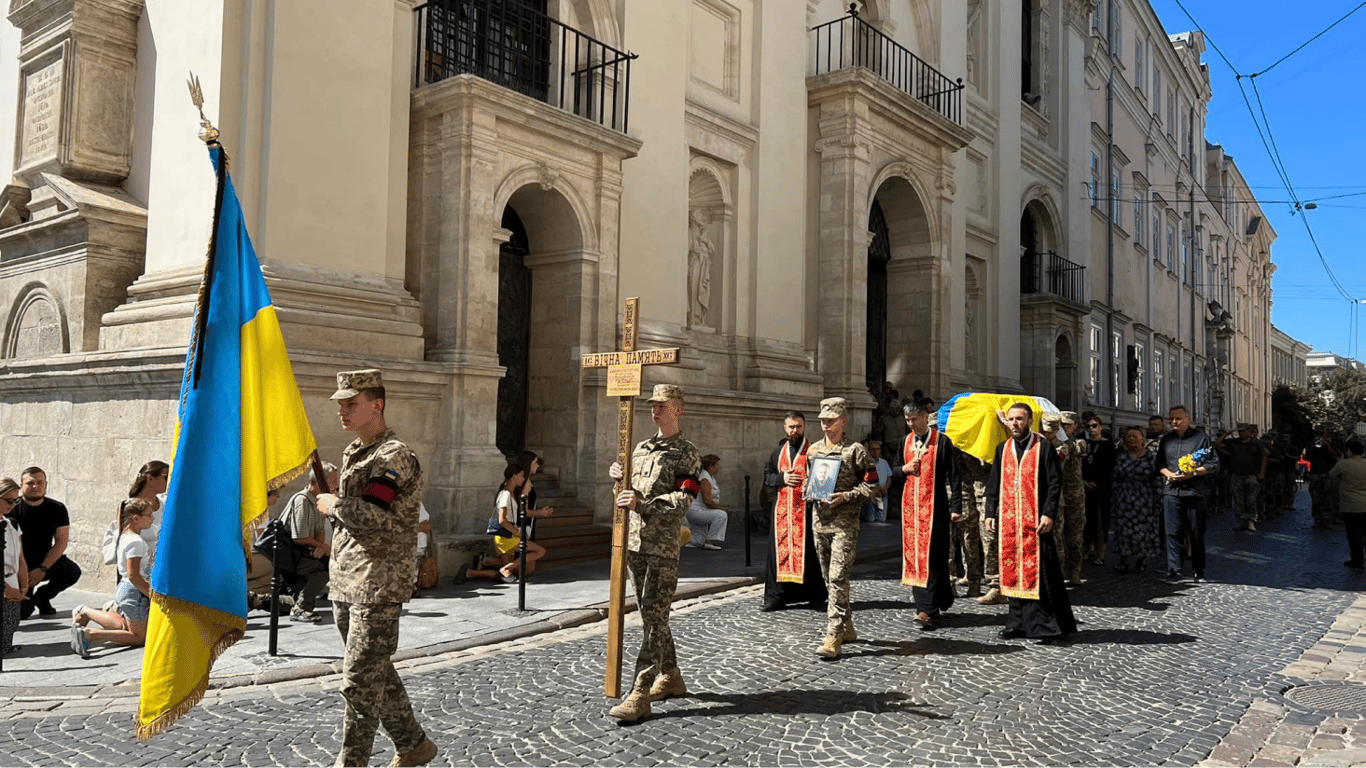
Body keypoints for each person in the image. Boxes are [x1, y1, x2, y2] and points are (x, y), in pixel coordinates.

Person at [313, 369, 437, 768]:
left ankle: (351, 763)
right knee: (375, 671)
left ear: (377, 405)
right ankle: (414, 744)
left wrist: (333, 504)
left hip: (378, 582)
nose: (341, 411)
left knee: (359, 683)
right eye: (340, 404)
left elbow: (373, 512)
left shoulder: (393, 455)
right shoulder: (356, 452)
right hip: (348, 577)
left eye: (351, 403)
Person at [606, 384, 702, 723]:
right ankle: (671, 675)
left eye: (661, 405)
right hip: (634, 544)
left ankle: (640, 693)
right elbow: (626, 491)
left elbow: (683, 500)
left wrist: (642, 504)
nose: (654, 409)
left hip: (662, 547)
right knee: (651, 616)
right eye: (652, 404)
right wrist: (616, 478)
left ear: (678, 408)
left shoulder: (686, 452)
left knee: (654, 619)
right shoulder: (641, 448)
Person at [984, 403, 1076, 643]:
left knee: (1041, 574)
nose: (1014, 423)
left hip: (1035, 522)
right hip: (1009, 523)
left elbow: (1055, 484)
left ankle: (1045, 626)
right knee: (1011, 572)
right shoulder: (1002, 449)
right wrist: (989, 512)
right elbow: (994, 484)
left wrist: (1049, 513)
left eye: (1019, 419)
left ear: (1029, 420)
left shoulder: (1043, 447)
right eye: (1011, 419)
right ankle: (1017, 623)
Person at [805, 397, 878, 659]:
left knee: (837, 577)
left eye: (831, 421)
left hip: (844, 525)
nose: (826, 426)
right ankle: (846, 625)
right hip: (819, 522)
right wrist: (809, 492)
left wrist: (845, 496)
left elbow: (871, 486)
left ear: (843, 421)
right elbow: (807, 481)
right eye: (823, 421)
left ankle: (833, 633)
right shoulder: (813, 450)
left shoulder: (856, 450)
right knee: (828, 578)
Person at [891, 399, 961, 630]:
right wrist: (903, 469)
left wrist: (956, 507)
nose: (911, 424)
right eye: (907, 420)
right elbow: (886, 470)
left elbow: (955, 477)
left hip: (937, 510)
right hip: (911, 513)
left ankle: (934, 603)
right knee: (916, 560)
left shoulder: (942, 442)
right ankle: (925, 610)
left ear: (925, 417)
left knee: (934, 559)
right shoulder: (904, 441)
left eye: (914, 419)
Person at [70, 498, 156, 657]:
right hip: (133, 592)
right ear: (135, 518)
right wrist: (149, 593)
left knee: (125, 627)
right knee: (138, 637)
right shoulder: (136, 542)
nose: (152, 519)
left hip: (126, 589)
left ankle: (87, 612)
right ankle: (89, 633)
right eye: (149, 515)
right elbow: (133, 574)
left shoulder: (125, 536)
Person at [760, 411, 827, 611]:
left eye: (798, 426)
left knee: (810, 555)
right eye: (791, 426)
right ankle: (776, 597)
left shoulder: (814, 450)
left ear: (804, 426)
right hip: (782, 512)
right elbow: (767, 476)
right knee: (777, 555)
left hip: (806, 512)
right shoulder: (777, 452)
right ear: (784, 428)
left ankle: (815, 596)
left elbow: (824, 477)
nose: (794, 430)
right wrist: (782, 479)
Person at [1155, 405, 1219, 582]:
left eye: (1178, 418)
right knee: (1172, 532)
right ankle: (1174, 570)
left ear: (1187, 419)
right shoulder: (1166, 440)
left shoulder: (1201, 439)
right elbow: (1159, 463)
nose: (1175, 422)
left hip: (1194, 492)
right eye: (1172, 419)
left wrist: (1194, 473)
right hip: (1172, 491)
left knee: (1196, 532)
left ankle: (1199, 570)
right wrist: (1169, 474)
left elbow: (1213, 463)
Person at [12, 467, 80, 620]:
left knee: (72, 572)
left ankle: (42, 597)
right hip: (18, 565)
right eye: (30, 483)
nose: (35, 486)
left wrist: (43, 568)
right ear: (21, 485)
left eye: (40, 482)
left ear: (46, 484)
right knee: (22, 614)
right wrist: (23, 575)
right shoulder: (12, 508)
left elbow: (61, 542)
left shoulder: (57, 508)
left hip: (45, 561)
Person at [275, 462, 338, 622]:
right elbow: (299, 537)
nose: (335, 485)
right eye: (332, 481)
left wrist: (320, 548)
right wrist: (322, 547)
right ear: (318, 482)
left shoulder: (317, 500)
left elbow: (320, 530)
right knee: (329, 567)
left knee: (297, 598)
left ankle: (255, 600)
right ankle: (302, 609)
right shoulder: (302, 500)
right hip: (289, 557)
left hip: (301, 553)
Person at [472, 463, 552, 582]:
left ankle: (474, 571)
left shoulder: (511, 494)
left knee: (508, 571)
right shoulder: (505, 495)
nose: (523, 479)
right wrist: (518, 532)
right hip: (506, 537)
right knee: (540, 551)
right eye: (521, 476)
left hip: (505, 537)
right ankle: (504, 567)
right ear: (514, 476)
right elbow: (502, 520)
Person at [1111, 426, 1161, 572]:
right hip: (1124, 499)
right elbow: (1116, 479)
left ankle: (1141, 561)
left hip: (1145, 500)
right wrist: (1115, 499)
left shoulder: (1151, 458)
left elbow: (1157, 481)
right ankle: (1123, 560)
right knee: (1123, 531)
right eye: (1128, 436)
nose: (1131, 439)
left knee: (1144, 531)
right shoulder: (1122, 457)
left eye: (1135, 436)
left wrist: (1158, 503)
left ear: (1143, 438)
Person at [1215, 424, 1267, 532]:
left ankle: (1251, 521)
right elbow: (1217, 444)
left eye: (1244, 431)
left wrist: (1261, 473)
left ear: (1248, 431)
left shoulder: (1256, 443)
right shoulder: (1234, 442)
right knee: (1238, 500)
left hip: (1251, 475)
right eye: (1240, 431)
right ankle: (1241, 520)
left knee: (1251, 500)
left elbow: (1264, 456)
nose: (1242, 433)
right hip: (1236, 475)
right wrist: (1227, 433)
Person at [1081, 414, 1116, 565]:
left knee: (1102, 520)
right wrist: (1084, 482)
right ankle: (1089, 549)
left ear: (1100, 427)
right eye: (1088, 426)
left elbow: (1110, 468)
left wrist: (1097, 482)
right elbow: (1080, 465)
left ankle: (1101, 553)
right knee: (1088, 520)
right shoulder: (1082, 443)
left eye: (1094, 426)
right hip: (1085, 487)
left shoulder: (1108, 445)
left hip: (1102, 488)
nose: (1091, 429)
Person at [1329, 439, 1366, 568]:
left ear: (1349, 451)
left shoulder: (1344, 464)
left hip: (1350, 506)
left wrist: (1341, 459)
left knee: (1354, 534)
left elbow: (1332, 474)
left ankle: (1357, 559)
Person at [3, 478, 29, 655]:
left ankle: (6, 647)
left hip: (12, 579)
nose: (13, 504)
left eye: (16, 500)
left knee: (11, 622)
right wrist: (6, 588)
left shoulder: (11, 524)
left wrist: (24, 583)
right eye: (8, 500)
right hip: (3, 584)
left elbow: (20, 557)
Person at [686, 454, 729, 549]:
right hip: (696, 512)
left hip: (698, 510)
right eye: (717, 465)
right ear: (710, 467)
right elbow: (707, 500)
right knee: (721, 515)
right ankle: (709, 541)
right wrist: (722, 508)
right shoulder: (705, 479)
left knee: (697, 541)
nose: (718, 467)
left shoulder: (707, 476)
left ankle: (688, 542)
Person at [1307, 426, 1344, 529]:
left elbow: (1336, 455)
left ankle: (1327, 519)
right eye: (1317, 434)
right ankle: (1318, 520)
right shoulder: (1313, 444)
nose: (1319, 436)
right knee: (1316, 499)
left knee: (1328, 498)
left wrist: (1327, 444)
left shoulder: (1330, 444)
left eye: (1321, 434)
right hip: (1316, 474)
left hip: (1326, 474)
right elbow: (1308, 456)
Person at [862, 441, 892, 524]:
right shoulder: (865, 463)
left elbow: (889, 478)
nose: (875, 451)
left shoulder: (884, 462)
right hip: (870, 493)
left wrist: (885, 488)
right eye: (873, 449)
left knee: (882, 519)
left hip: (883, 492)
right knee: (871, 519)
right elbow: (863, 480)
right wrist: (875, 490)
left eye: (877, 449)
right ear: (869, 450)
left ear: (880, 450)